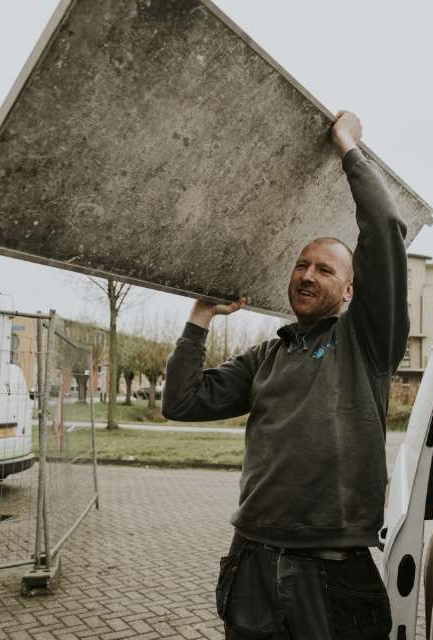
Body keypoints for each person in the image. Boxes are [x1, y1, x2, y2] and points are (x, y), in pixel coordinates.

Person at [162, 111, 407, 639]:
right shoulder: (265, 356)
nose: (307, 274)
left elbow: (384, 227)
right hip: (253, 561)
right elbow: (181, 402)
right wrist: (200, 317)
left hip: (331, 570)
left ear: (349, 292)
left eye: (324, 268)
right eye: (301, 265)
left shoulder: (365, 340)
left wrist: (348, 147)